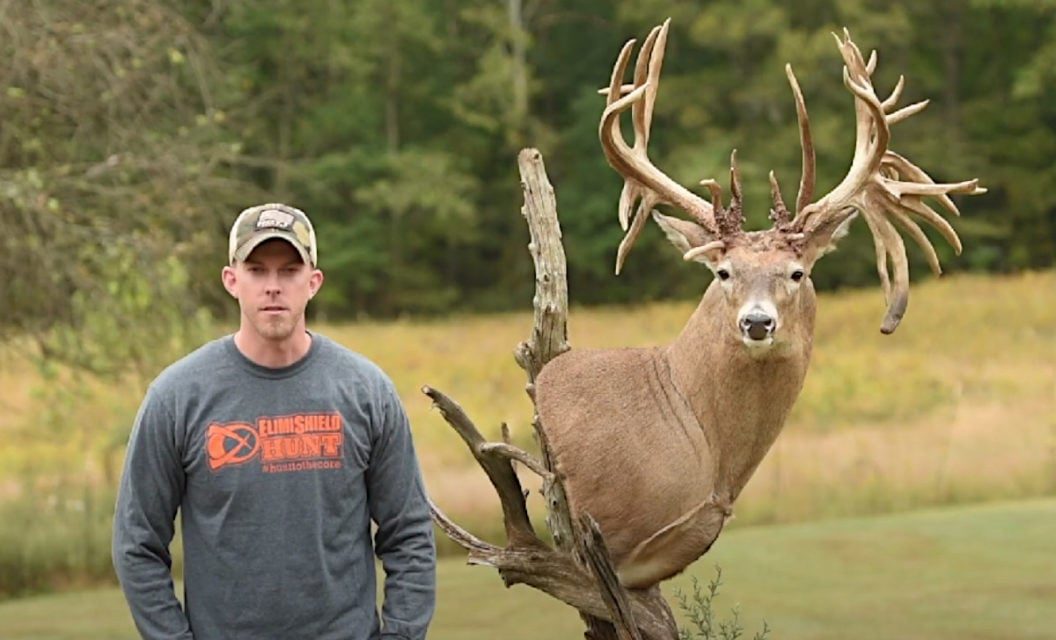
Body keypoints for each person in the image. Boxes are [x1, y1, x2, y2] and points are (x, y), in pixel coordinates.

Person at [112, 203, 436, 639]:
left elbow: (410, 534)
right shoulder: (178, 397)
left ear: (313, 282)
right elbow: (137, 544)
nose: (273, 287)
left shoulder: (365, 392)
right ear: (232, 280)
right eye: (257, 270)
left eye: (288, 271)